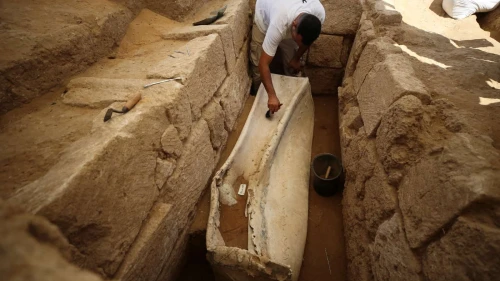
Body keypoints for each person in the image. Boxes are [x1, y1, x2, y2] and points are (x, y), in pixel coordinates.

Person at [250, 0, 325, 114]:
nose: (301, 45)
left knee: (291, 63)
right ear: (294, 25)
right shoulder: (279, 23)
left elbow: (307, 41)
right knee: (257, 60)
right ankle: (259, 96)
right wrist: (272, 95)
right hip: (265, 16)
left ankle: (291, 97)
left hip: (286, 19)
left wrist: (295, 58)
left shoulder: (318, 14)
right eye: (298, 41)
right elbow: (263, 64)